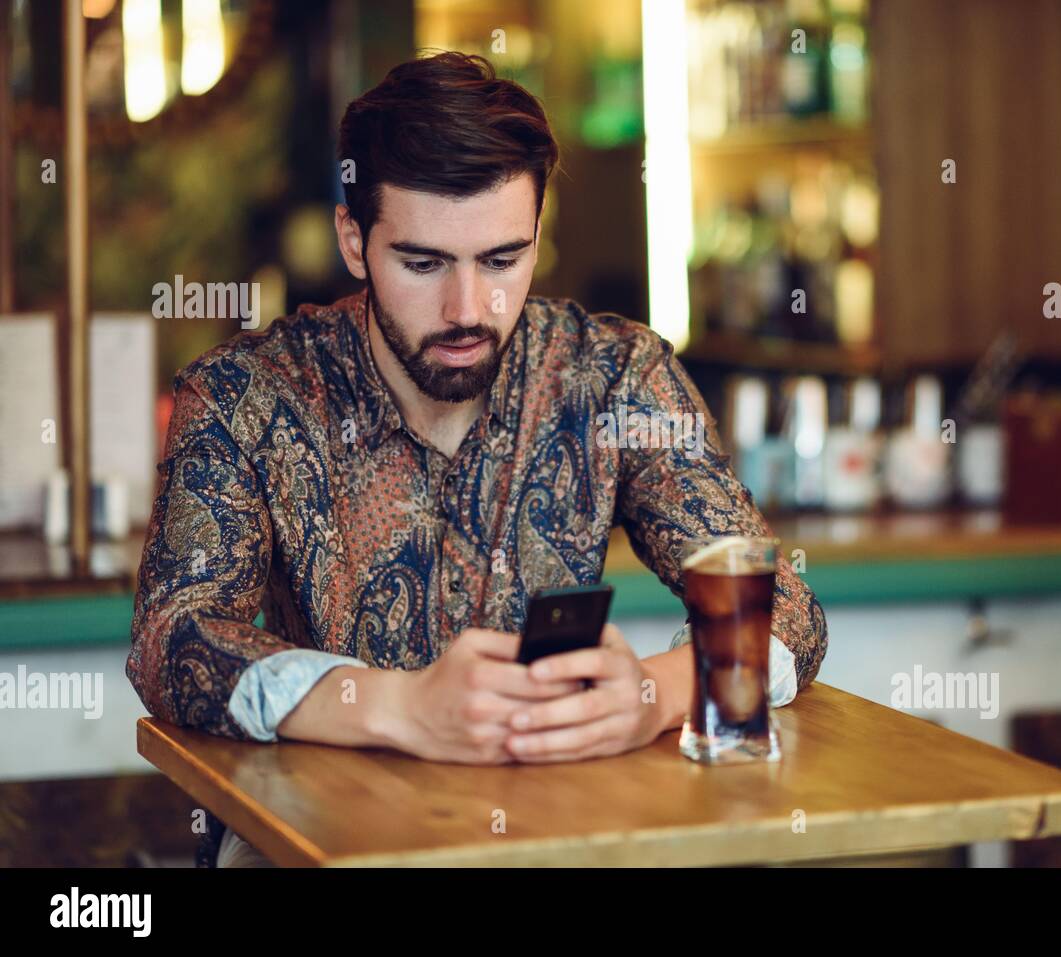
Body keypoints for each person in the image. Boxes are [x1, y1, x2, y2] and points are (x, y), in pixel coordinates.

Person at [126, 51, 827, 868]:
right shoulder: (246, 395)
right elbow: (171, 641)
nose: (468, 310)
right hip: (313, 842)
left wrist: (653, 693)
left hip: (556, 837)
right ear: (355, 240)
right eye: (423, 264)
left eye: (501, 261)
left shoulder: (614, 377)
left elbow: (785, 611)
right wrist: (396, 705)